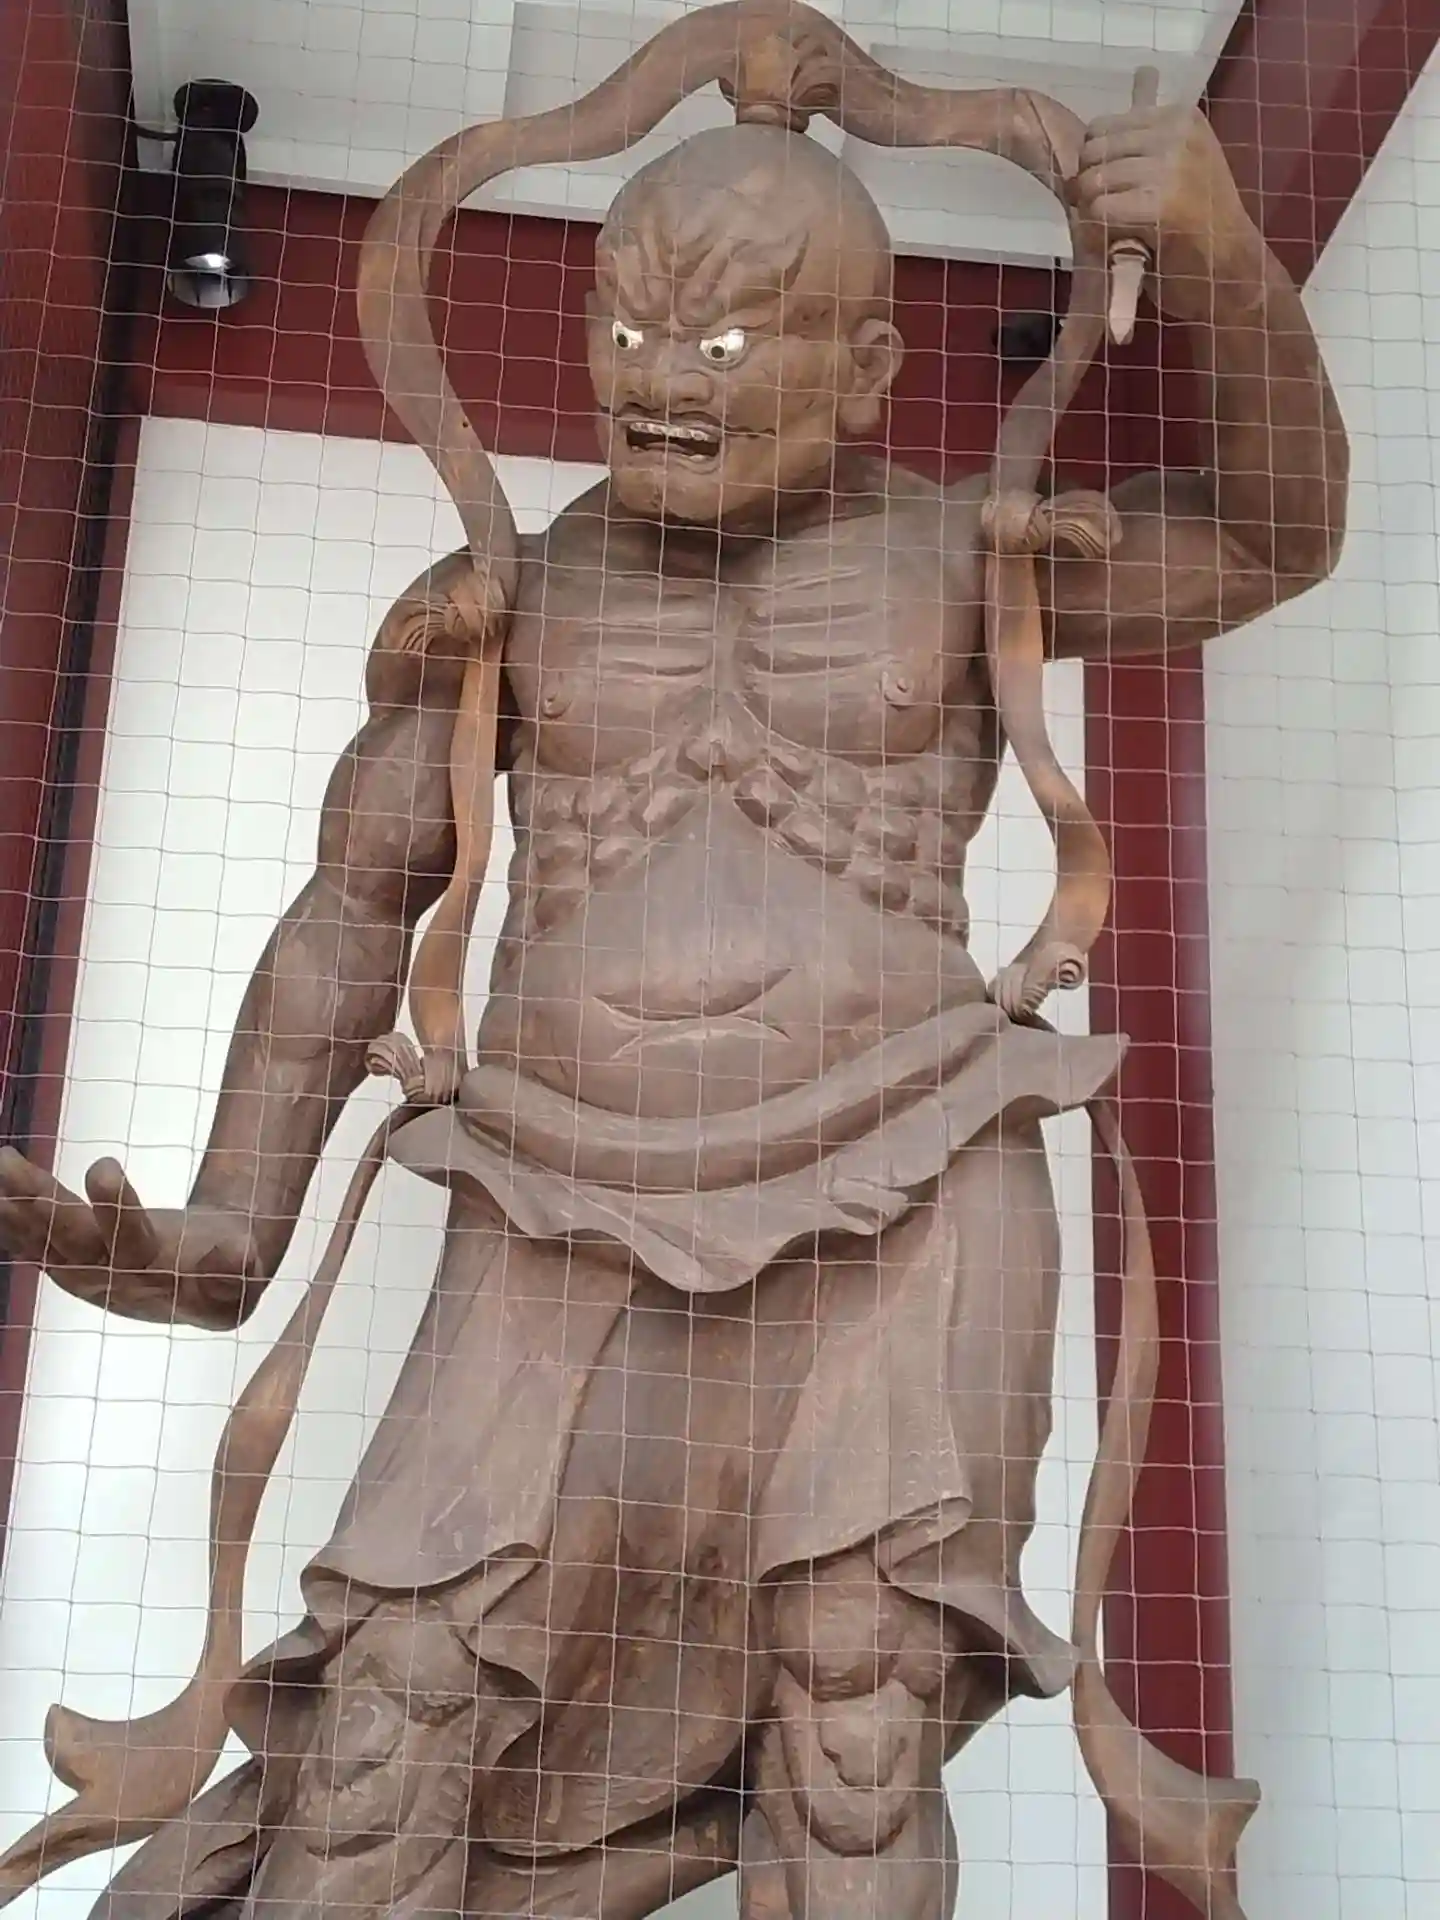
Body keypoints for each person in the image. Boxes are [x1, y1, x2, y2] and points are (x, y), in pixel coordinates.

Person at [0, 67, 1344, 1920]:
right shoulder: (505, 592)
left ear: (870, 372)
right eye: (622, 327)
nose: (656, 378)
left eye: (720, 338)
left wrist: (1221, 258)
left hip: (908, 1175)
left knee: (856, 1717)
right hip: (549, 1189)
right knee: (389, 1718)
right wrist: (229, 1224)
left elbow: (1272, 538)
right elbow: (354, 903)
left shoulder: (970, 557)